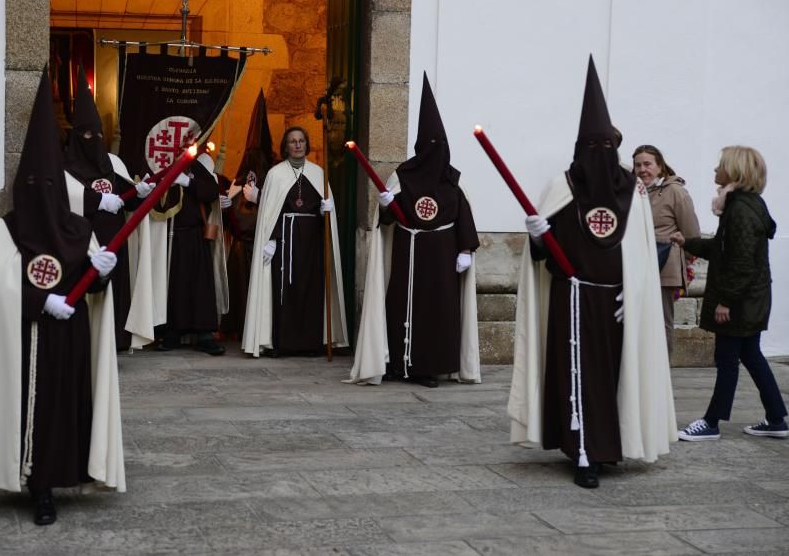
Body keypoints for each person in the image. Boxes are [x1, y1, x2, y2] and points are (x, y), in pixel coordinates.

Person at [0, 70, 125, 525]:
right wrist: (39, 300)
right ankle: (39, 485)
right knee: (34, 410)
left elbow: (93, 283)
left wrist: (102, 272)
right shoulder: (3, 230)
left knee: (65, 410)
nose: (41, 196)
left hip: (70, 344)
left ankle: (64, 472)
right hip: (27, 343)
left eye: (49, 186)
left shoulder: (78, 228)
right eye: (33, 186)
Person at [508, 57, 675, 489]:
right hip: (572, 298)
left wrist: (635, 294)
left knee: (613, 375)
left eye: (607, 146)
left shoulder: (633, 193)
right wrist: (539, 236)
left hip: (617, 305)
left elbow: (640, 252)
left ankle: (609, 445)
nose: (599, 155)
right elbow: (545, 257)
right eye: (592, 146)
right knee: (576, 374)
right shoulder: (562, 188)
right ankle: (583, 452)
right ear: (580, 146)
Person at [349, 73, 480, 388]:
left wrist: (465, 249)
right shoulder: (403, 176)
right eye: (430, 145)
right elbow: (389, 219)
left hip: (442, 260)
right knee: (400, 307)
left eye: (440, 145)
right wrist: (384, 204)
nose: (435, 151)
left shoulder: (453, 180)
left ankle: (430, 366)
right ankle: (398, 363)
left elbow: (463, 213)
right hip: (408, 256)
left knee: (439, 311)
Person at [673, 146, 787, 441]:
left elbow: (741, 262)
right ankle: (776, 418)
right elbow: (724, 250)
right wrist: (687, 242)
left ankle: (711, 423)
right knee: (751, 355)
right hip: (752, 299)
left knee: (727, 360)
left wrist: (726, 301)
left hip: (741, 302)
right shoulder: (745, 205)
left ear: (735, 171)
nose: (714, 171)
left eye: (720, 166)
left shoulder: (740, 209)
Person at [62, 65, 155, 351]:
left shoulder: (111, 164)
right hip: (83, 244)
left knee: (115, 293)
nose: (94, 141)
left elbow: (129, 198)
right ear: (77, 138)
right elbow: (63, 199)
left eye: (97, 135)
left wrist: (140, 192)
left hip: (115, 244)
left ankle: (113, 343)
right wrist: (98, 201)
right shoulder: (65, 167)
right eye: (87, 136)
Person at [242, 126, 348, 357]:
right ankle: (283, 343)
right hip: (285, 242)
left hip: (312, 244)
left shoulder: (320, 174)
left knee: (312, 289)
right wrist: (272, 239)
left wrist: (326, 211)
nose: (298, 145)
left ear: (306, 144)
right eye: (292, 141)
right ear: (285, 146)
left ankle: (311, 344)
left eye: (301, 140)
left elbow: (326, 218)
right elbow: (270, 212)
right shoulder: (275, 174)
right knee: (285, 291)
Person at [154, 151, 228, 355]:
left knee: (200, 285)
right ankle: (172, 331)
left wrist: (187, 182)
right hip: (169, 236)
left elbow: (211, 191)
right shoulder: (159, 161)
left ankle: (204, 334)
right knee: (173, 284)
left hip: (195, 235)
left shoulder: (196, 166)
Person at [219, 89, 277, 341]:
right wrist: (225, 205)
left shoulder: (274, 176)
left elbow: (277, 207)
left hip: (264, 244)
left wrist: (260, 198)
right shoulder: (240, 179)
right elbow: (233, 219)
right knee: (240, 287)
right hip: (242, 247)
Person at [632, 145, 701, 355]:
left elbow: (691, 235)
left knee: (661, 323)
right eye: (637, 165)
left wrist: (682, 263)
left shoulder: (675, 192)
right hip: (636, 266)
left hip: (664, 267)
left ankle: (662, 377)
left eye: (647, 164)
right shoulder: (633, 192)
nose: (642, 169)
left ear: (660, 166)